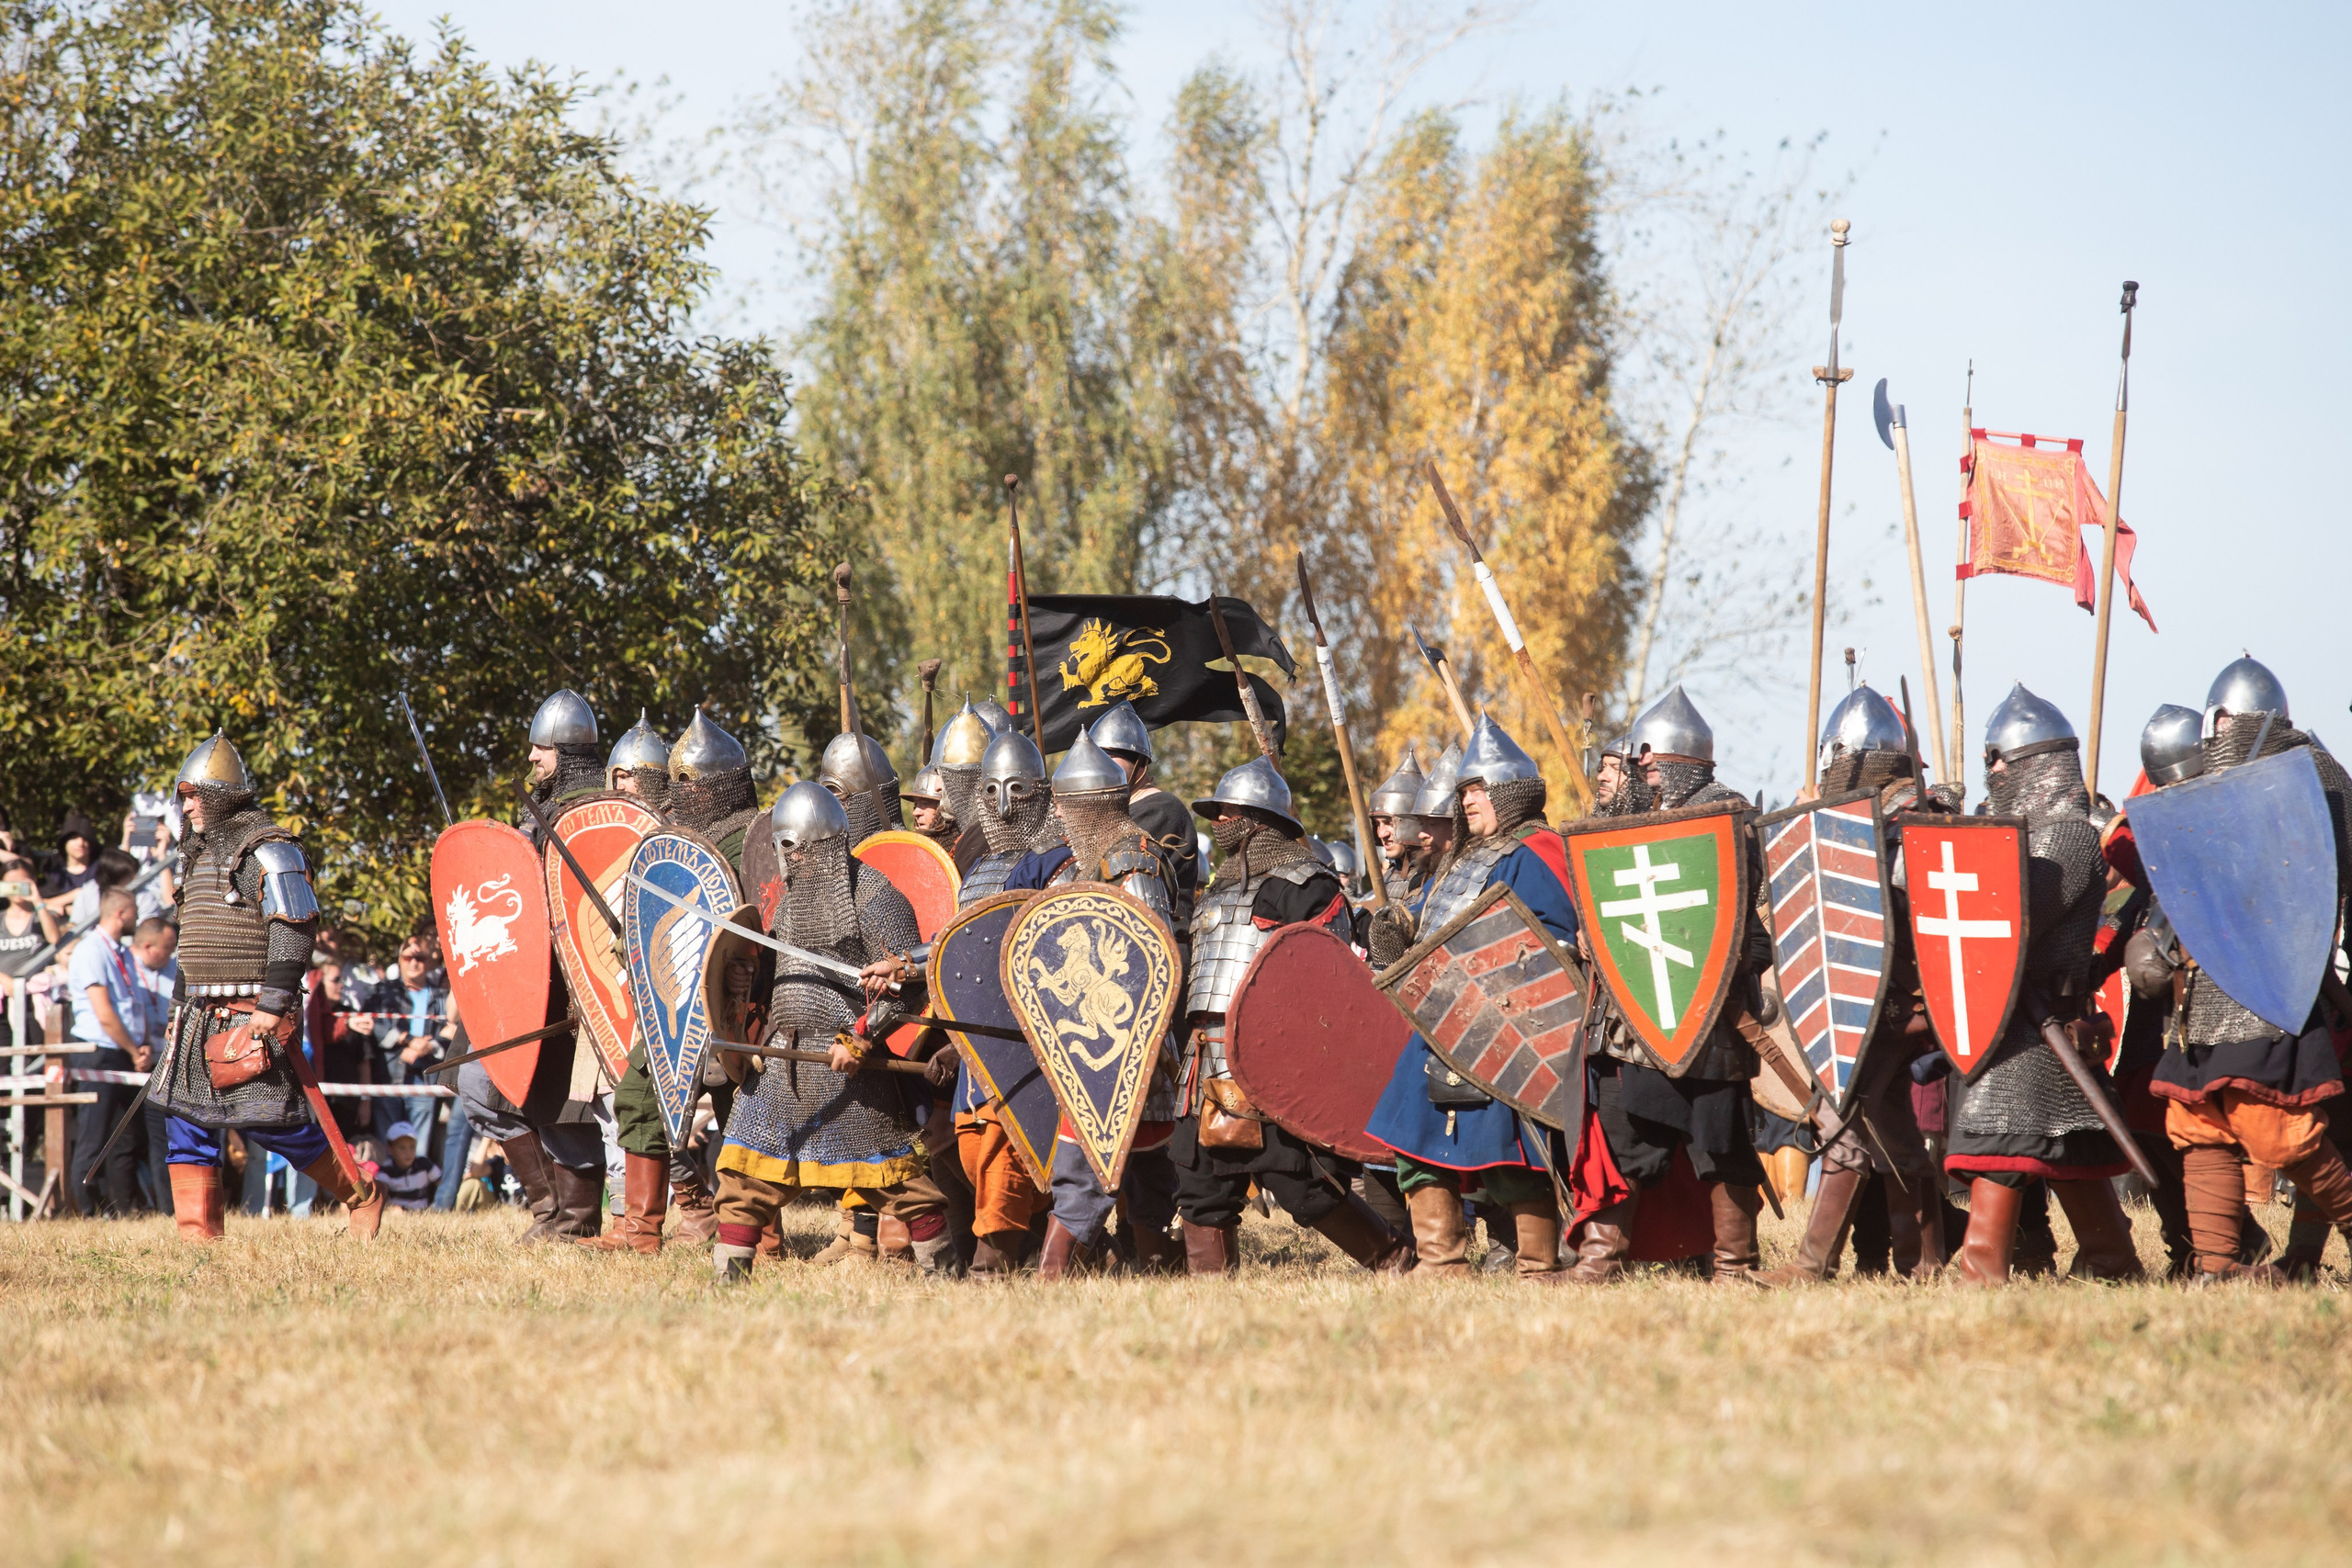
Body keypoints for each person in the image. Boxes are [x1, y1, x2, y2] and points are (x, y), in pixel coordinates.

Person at [2129, 660, 2352, 1282]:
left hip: (2275, 983)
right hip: (2203, 988)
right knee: (2197, 1124)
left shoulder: (2315, 773)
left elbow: (2323, 878)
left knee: (2278, 1130)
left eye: (2228, 718)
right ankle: (2217, 1266)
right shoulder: (2204, 782)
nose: (2220, 728)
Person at [1570, 686, 1775, 1285]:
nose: (1643, 767)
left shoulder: (1729, 818)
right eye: (1640, 759)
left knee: (1720, 1142)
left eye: (1651, 758)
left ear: (1681, 759)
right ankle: (1601, 1260)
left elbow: (1742, 922)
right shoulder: (1640, 822)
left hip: (1712, 1014)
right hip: (1649, 1011)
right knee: (1629, 1134)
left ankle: (1735, 1266)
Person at [1175, 755, 1410, 1275]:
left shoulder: (1307, 884)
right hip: (1202, 1058)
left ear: (1260, 819)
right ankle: (1207, 1297)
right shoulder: (1220, 887)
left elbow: (1326, 979)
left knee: (1299, 1184)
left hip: (1268, 1057)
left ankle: (1394, 1258)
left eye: (1229, 811)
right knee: (1199, 1183)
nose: (1219, 821)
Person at [1943, 685, 2142, 1284]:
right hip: (2020, 1016)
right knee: (2066, 1144)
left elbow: (2013, 916)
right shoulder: (2024, 834)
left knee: (2002, 1139)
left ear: (2038, 762)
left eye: (2000, 758)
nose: (1992, 770)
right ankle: (2112, 1259)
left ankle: (1981, 1271)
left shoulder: (2067, 836)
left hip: (2045, 1019)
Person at [150, 733, 381, 1241]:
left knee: (269, 1123)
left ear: (222, 796)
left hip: (248, 1011)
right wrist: (175, 1012)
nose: (186, 808)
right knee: (185, 1124)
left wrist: (274, 1003)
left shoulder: (270, 850)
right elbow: (194, 943)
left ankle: (359, 1191)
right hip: (195, 1015)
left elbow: (293, 928)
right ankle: (200, 1245)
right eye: (183, 798)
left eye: (194, 797)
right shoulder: (197, 856)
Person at [1363, 716, 1570, 1279]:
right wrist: (1398, 925)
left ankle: (1537, 1263)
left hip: (1508, 1026)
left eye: (1478, 790)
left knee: (1511, 1148)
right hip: (1441, 1019)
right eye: (1464, 792)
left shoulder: (1538, 850)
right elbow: (1434, 917)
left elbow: (1555, 939)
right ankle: (1442, 1261)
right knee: (1411, 1134)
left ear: (1510, 792)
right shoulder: (1466, 859)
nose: (1467, 801)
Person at [707, 783, 933, 1282]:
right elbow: (786, 978)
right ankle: (729, 1278)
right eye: (783, 848)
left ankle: (944, 1269)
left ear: (823, 845)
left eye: (795, 847)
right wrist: (749, 978)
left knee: (895, 1183)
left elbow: (909, 987)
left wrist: (861, 1038)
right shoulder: (792, 903)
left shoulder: (875, 897)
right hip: (782, 1058)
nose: (789, 859)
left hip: (844, 1061)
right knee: (743, 1172)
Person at [1763, 685, 1949, 1283]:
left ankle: (1812, 1264)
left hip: (1898, 1001)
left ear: (1858, 759)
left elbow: (1903, 905)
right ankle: (1923, 1261)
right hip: (1871, 1001)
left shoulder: (1911, 819)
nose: (1827, 770)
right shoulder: (1865, 817)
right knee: (1891, 1130)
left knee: (1842, 1119)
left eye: (1834, 758)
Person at [999, 730, 1185, 1277]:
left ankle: (1056, 1272)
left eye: (1064, 804)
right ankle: (1151, 1264)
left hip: (1128, 1043)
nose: (1055, 813)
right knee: (1139, 1162)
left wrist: (1145, 1042)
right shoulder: (1092, 862)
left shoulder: (1132, 862)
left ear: (1087, 806)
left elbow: (1151, 956)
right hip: (1097, 1041)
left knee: (1093, 1161)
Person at [592, 706, 759, 1254]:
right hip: (675, 1005)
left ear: (725, 785)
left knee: (746, 1117)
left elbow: (772, 923)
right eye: (680, 782)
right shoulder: (671, 844)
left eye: (695, 783)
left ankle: (760, 1235)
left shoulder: (753, 841)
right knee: (639, 1096)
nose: (686, 793)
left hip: (737, 1010)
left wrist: (748, 968)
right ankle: (640, 1231)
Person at [459, 689, 607, 1245]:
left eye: (540, 748)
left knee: (562, 1102)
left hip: (573, 984)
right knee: (477, 1083)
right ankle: (548, 1207)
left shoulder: (594, 817)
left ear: (566, 753)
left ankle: (575, 1218)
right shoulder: (538, 814)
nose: (531, 757)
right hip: (524, 980)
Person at [939, 725, 1056, 1276]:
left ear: (1040, 793)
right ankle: (1053, 1239)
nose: (1004, 804)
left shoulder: (1054, 861)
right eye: (991, 790)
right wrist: (907, 964)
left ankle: (995, 1259)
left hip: (1021, 1032)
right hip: (975, 1030)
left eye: (1017, 789)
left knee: (1004, 1142)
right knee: (970, 1144)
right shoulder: (979, 868)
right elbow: (958, 947)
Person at [64, 888, 152, 1213]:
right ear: (120, 913)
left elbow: (132, 1004)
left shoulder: (123, 952)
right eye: (134, 912)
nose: (137, 918)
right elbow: (104, 1012)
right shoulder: (91, 950)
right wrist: (134, 1049)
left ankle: (123, 1209)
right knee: (94, 1136)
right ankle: (85, 1211)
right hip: (98, 1052)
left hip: (124, 1051)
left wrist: (140, 1046)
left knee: (126, 1137)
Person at [1090, 701, 1198, 933]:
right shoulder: (1105, 813)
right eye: (1096, 757)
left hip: (1162, 937)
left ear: (1139, 762)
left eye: (1111, 756)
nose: (1101, 766)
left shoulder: (1162, 809)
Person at [358, 931, 454, 1150]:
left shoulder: (440, 997)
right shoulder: (383, 992)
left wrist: (426, 1046)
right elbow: (371, 1024)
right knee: (386, 1147)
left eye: (419, 958)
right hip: (388, 1075)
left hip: (425, 1078)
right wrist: (408, 1040)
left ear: (429, 962)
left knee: (418, 1150)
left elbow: (452, 1031)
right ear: (399, 959)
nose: (413, 963)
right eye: (408, 957)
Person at [930, 698, 1015, 882]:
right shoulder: (972, 835)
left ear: (967, 782)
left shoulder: (987, 836)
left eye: (944, 777)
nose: (937, 787)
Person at [373, 1121, 442, 1213]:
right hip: (399, 1213)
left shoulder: (424, 1164)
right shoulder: (386, 1171)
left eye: (412, 1147)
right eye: (402, 1148)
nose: (408, 1153)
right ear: (390, 1148)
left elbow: (441, 1183)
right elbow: (379, 1196)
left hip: (424, 1212)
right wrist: (391, 1208)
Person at [605, 710, 671, 807]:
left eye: (624, 777)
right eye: (615, 779)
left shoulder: (671, 817)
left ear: (650, 781)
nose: (619, 787)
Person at [41, 812, 99, 916]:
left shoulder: (100, 868)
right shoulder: (53, 870)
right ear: (65, 843)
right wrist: (75, 895)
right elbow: (40, 903)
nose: (80, 843)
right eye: (74, 838)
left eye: (85, 839)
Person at [901, 763, 958, 849]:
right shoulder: (910, 852)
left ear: (946, 809)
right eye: (916, 804)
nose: (915, 812)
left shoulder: (964, 852)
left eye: (925, 803)